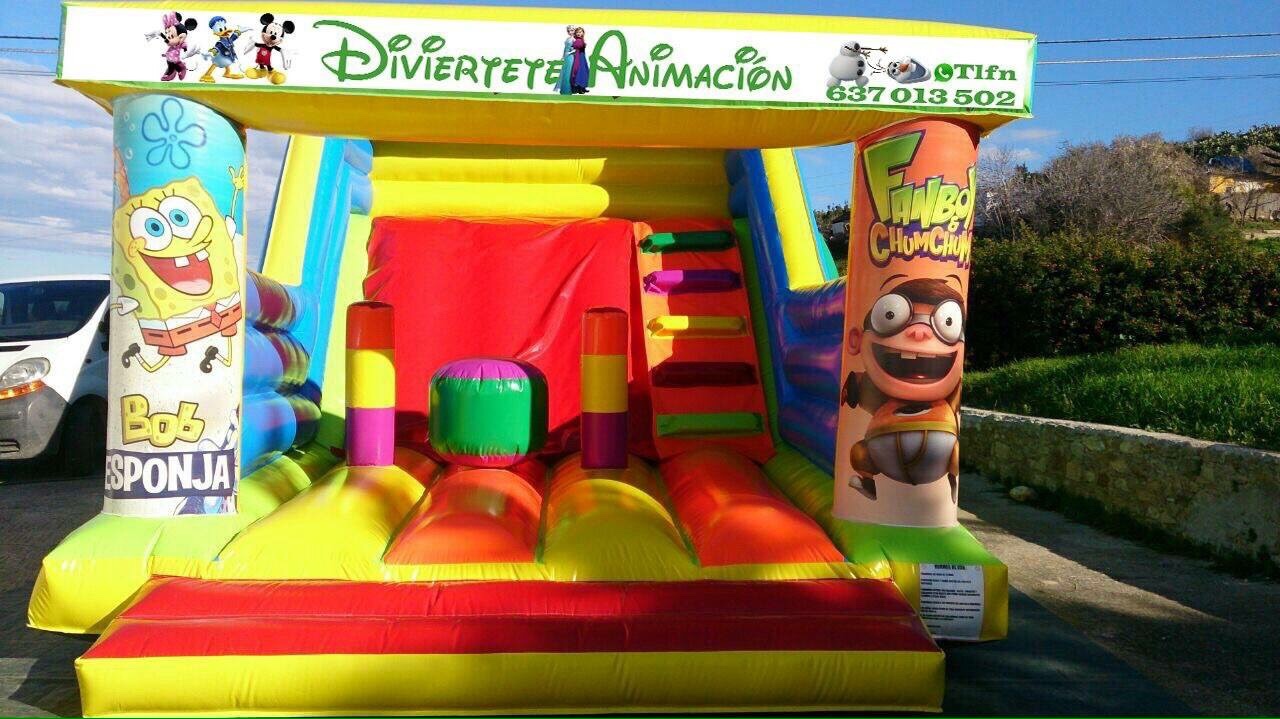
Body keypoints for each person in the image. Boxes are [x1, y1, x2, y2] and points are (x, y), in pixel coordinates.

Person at [568, 26, 590, 94]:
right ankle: (579, 88)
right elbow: (576, 46)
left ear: (583, 33)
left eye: (580, 32)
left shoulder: (581, 39)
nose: (578, 33)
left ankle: (583, 87)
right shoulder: (577, 40)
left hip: (582, 57)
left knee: (584, 72)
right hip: (578, 57)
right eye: (577, 32)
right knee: (580, 72)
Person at [557, 25, 575, 95]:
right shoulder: (568, 38)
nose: (570, 32)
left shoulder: (575, 39)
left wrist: (569, 53)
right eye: (569, 31)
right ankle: (564, 90)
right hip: (566, 57)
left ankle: (568, 90)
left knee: (569, 73)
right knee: (564, 73)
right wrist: (563, 56)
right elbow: (565, 48)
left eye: (572, 30)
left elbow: (577, 49)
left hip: (571, 57)